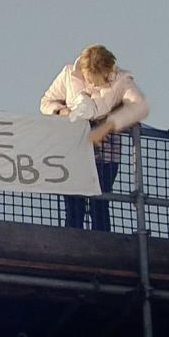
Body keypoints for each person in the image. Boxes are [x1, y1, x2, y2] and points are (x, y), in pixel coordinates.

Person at [40, 44, 149, 231]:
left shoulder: (122, 81)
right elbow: (46, 102)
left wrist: (108, 126)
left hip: (106, 156)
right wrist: (62, 111)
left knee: (100, 200)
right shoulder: (68, 74)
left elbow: (139, 107)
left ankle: (102, 242)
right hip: (73, 153)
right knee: (74, 202)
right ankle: (73, 241)